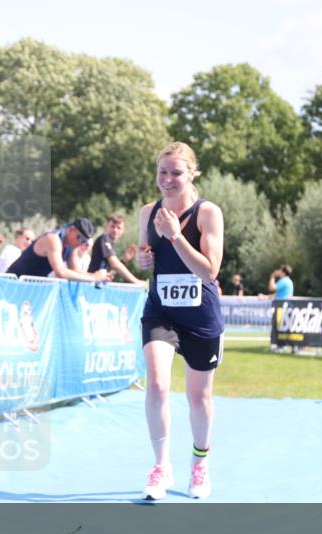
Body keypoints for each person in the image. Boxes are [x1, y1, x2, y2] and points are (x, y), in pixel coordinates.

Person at [137, 142, 224, 501]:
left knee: (198, 397)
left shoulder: (207, 213)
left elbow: (209, 271)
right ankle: (161, 466)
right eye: (162, 172)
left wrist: (174, 235)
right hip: (161, 310)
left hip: (201, 315)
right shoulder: (148, 212)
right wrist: (145, 257)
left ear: (192, 174)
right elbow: (147, 255)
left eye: (176, 172)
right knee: (156, 384)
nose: (168, 180)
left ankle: (199, 464)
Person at [7, 217, 109, 283]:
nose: (81, 244)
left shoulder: (72, 246)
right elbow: (60, 273)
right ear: (71, 230)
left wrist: (99, 276)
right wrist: (94, 277)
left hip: (29, 286)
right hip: (13, 283)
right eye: (80, 238)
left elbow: (77, 272)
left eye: (84, 242)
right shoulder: (53, 239)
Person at [88, 213, 146, 286]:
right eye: (112, 226)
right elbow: (115, 265)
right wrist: (136, 281)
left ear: (123, 230)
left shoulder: (111, 244)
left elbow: (110, 271)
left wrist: (124, 260)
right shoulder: (104, 238)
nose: (115, 230)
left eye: (119, 228)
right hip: (91, 285)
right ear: (107, 227)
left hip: (97, 285)